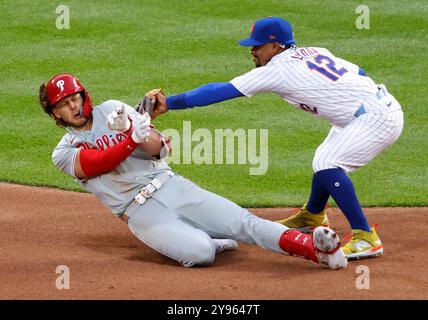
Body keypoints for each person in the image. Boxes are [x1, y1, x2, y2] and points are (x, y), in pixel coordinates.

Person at [145, 17, 404, 260]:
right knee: (323, 158)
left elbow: (220, 91)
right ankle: (312, 216)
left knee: (328, 164)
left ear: (275, 45)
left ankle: (365, 236)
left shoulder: (278, 70)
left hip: (374, 118)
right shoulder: (315, 51)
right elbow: (358, 71)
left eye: (257, 45)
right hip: (370, 107)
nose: (252, 50)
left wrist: (172, 103)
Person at [38, 72, 347, 269]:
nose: (73, 107)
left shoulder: (113, 109)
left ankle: (316, 248)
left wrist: (138, 128)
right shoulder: (63, 152)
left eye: (75, 98)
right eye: (63, 104)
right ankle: (211, 236)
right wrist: (129, 137)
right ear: (55, 113)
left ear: (84, 96)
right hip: (141, 213)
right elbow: (99, 163)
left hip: (171, 185)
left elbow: (160, 149)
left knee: (244, 222)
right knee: (201, 254)